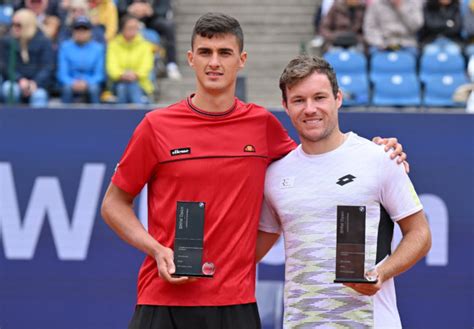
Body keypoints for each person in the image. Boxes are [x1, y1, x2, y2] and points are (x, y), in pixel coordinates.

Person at [100, 13, 407, 329]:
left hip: (235, 302)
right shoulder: (156, 126)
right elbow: (113, 204)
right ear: (190, 59)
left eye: (225, 53)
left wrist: (378, 151)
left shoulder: (262, 126)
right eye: (205, 52)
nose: (214, 62)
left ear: (242, 59)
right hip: (162, 299)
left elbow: (319, 157)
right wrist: (156, 249)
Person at [256, 55, 432, 328]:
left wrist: (381, 274)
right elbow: (252, 249)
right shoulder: (275, 174)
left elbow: (420, 234)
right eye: (299, 100)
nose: (310, 109)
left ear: (338, 98)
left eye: (319, 97)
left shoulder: (380, 158)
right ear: (285, 106)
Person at [0, 8, 54, 107]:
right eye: (13, 24)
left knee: (39, 95)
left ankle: (37, 122)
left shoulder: (44, 41)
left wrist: (35, 83)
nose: (14, 28)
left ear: (28, 25)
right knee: (9, 89)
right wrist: (20, 80)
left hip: (37, 84)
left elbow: (48, 67)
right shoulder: (7, 41)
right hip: (15, 82)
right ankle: (11, 120)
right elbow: (5, 66)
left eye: (18, 25)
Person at [106, 15, 154, 104]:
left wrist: (135, 75)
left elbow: (146, 66)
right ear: (122, 29)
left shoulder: (145, 45)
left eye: (136, 28)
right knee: (123, 88)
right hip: (117, 83)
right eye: (130, 28)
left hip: (141, 84)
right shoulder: (113, 45)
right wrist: (122, 75)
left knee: (131, 87)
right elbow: (111, 67)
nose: (133, 31)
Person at [57, 15, 104, 104]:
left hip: (90, 82)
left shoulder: (98, 49)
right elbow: (62, 74)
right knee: (66, 88)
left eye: (84, 30)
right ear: (73, 32)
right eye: (78, 30)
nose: (81, 33)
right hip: (71, 82)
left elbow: (99, 74)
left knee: (94, 88)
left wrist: (87, 82)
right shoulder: (65, 47)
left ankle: (97, 115)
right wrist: (72, 82)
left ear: (90, 32)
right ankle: (64, 116)